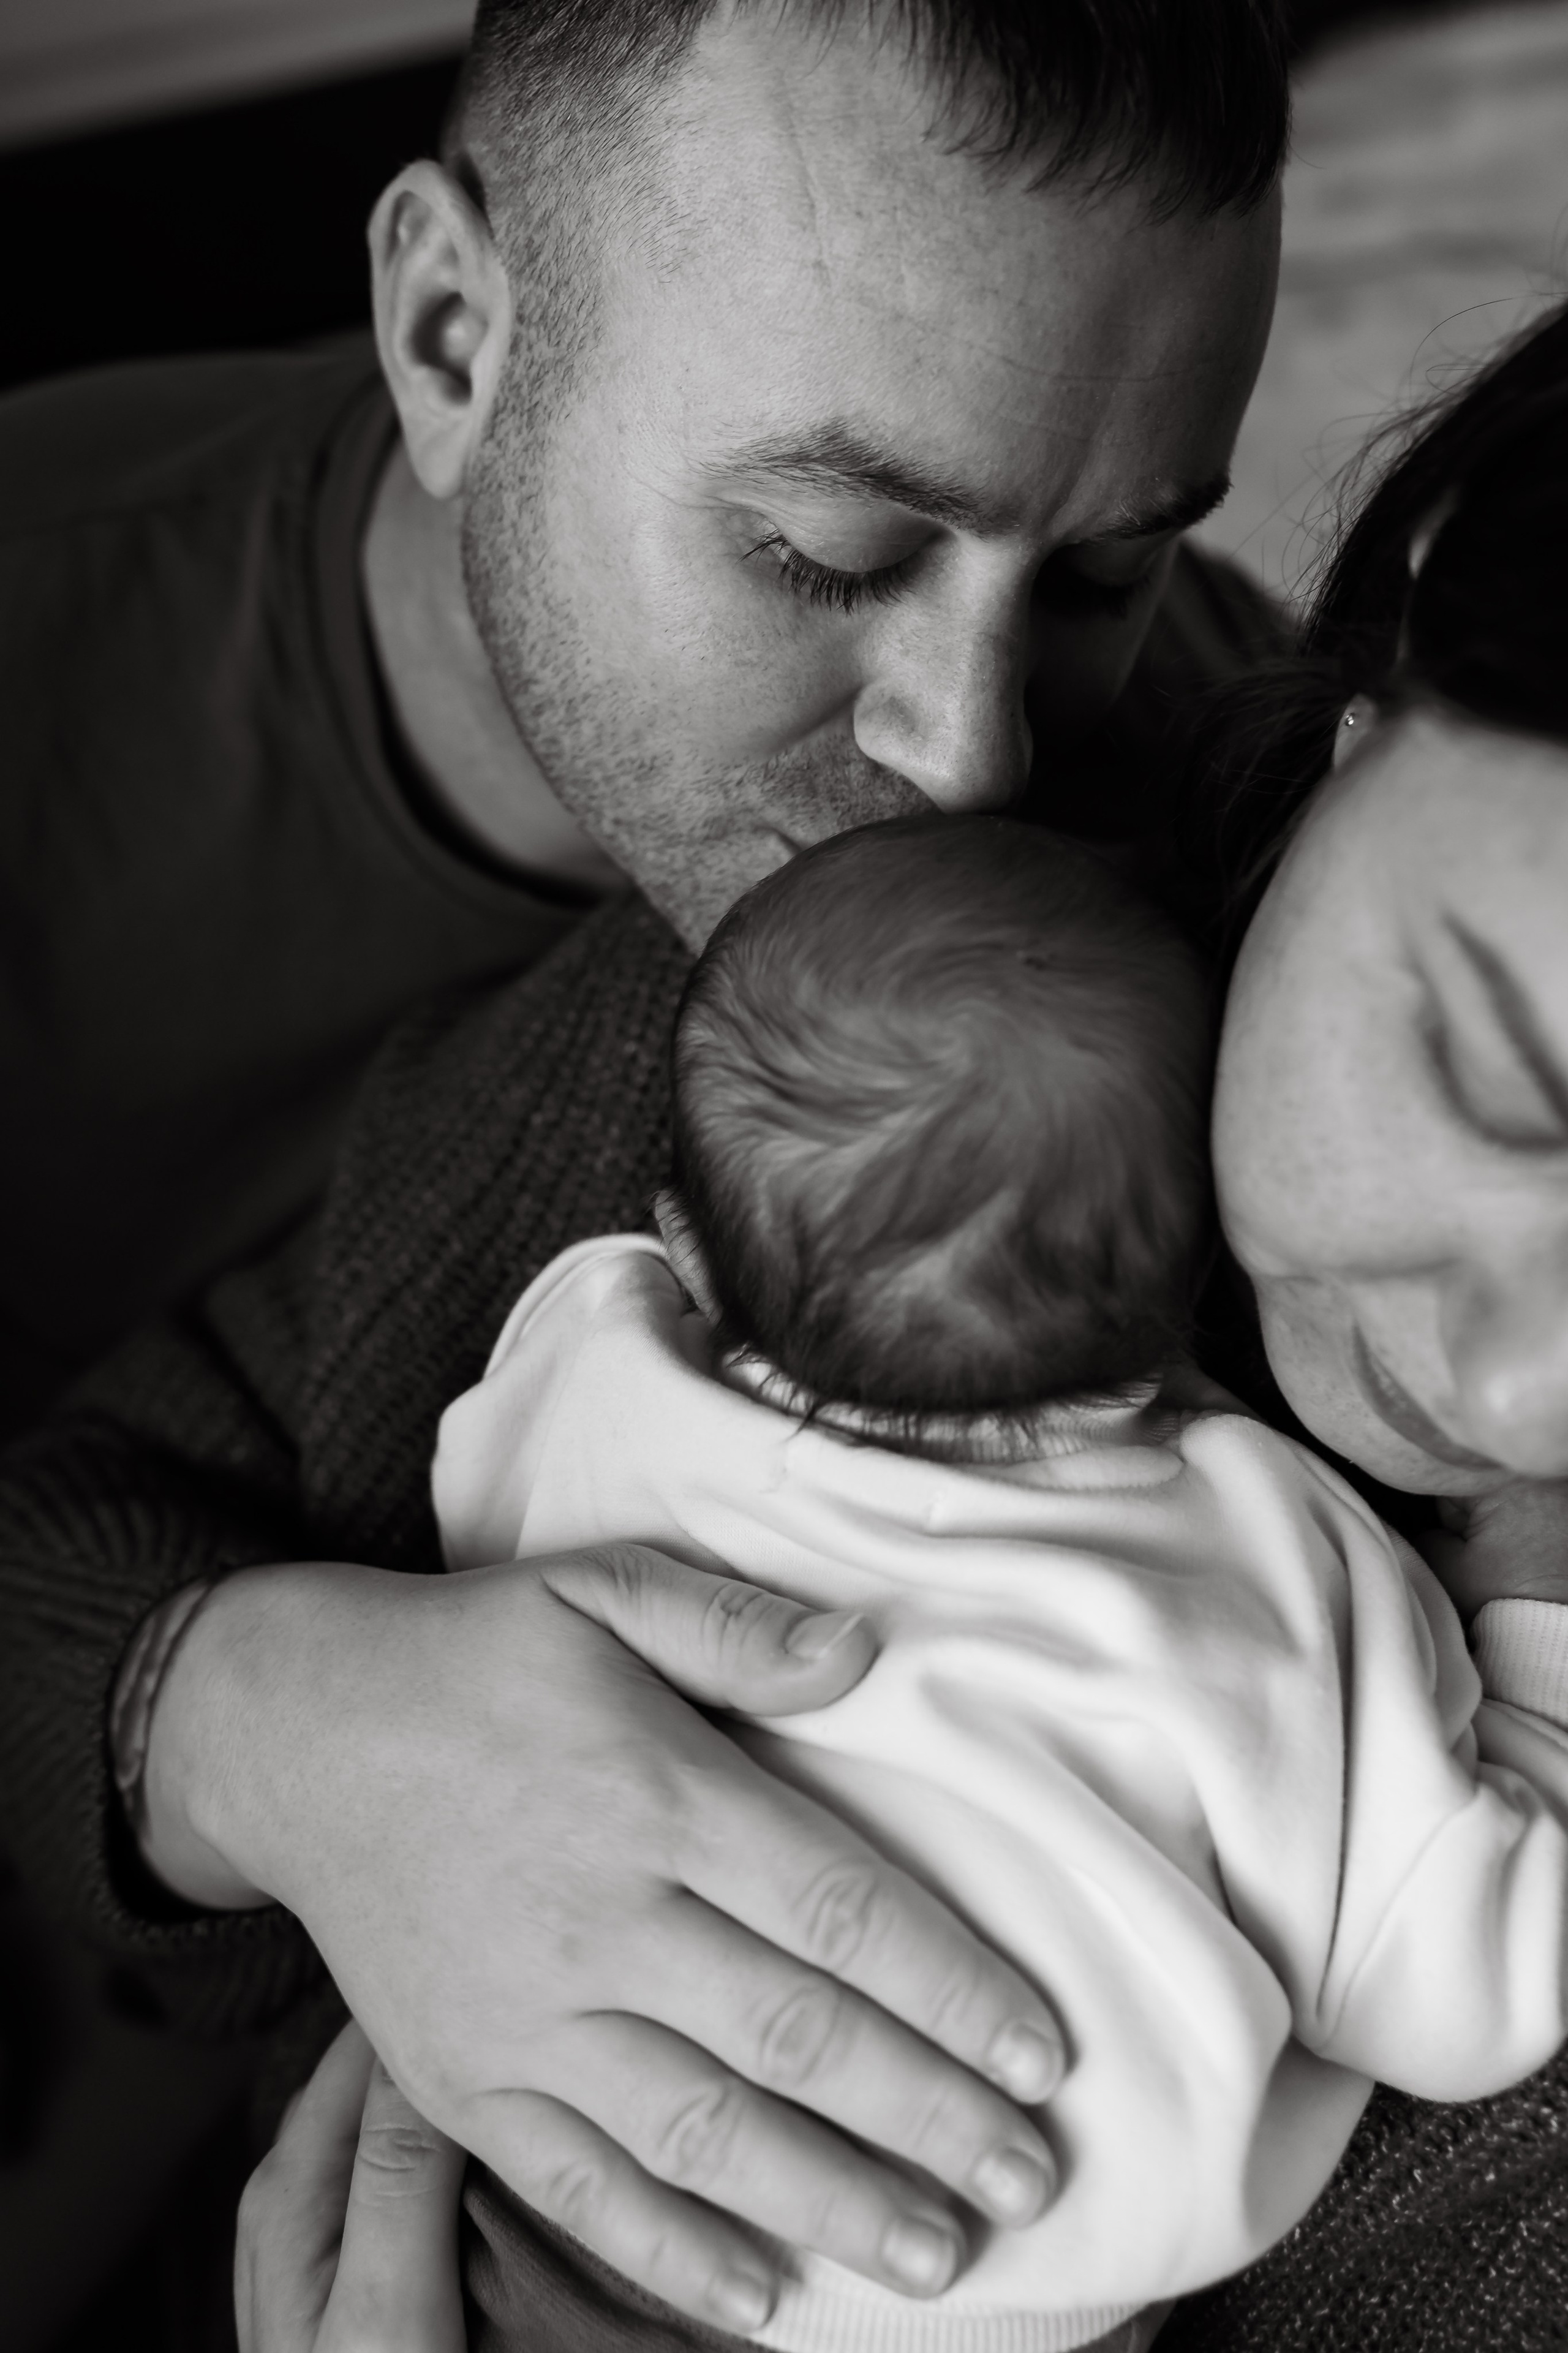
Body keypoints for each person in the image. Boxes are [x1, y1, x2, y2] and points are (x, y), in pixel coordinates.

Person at [0, 0, 1292, 2332]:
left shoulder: (1203, 836)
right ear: (451, 333)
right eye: (824, 550)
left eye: (1104, 577)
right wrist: (257, 1720)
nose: (973, 747)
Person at [232, 292, 1568, 2351]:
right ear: (1366, 707)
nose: (1514, 1388)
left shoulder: (652, 1285)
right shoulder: (841, 982)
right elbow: (91, 1530)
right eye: (1488, 1069)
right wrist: (273, 1723)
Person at [432, 810, 1568, 2351]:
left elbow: (463, 1522)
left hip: (519, 2206)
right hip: (930, 2297)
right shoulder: (1260, 1572)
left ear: (687, 1254)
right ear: (1169, 1330)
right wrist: (1533, 1624)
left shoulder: (601, 1373)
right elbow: (1454, 1987)